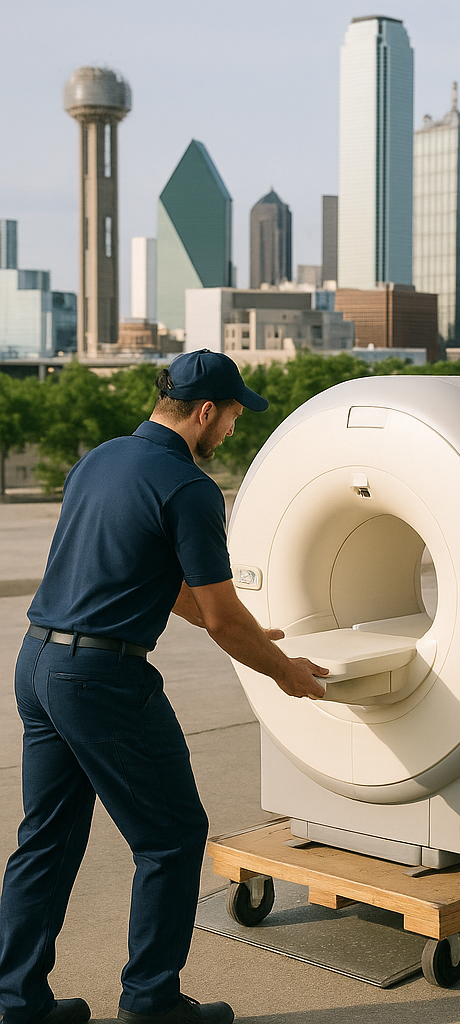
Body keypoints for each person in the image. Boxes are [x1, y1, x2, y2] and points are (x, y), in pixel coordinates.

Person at [0, 351, 328, 1024]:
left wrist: (244, 628)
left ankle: (15, 1000)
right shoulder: (189, 488)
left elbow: (145, 575)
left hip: (37, 663)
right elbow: (220, 619)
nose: (234, 431)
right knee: (173, 837)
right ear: (206, 412)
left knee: (47, 839)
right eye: (234, 417)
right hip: (101, 681)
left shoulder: (99, 460)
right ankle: (151, 1003)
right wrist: (284, 668)